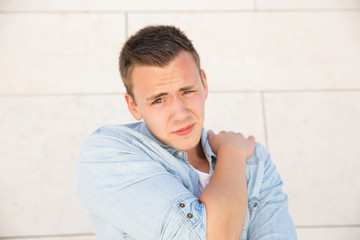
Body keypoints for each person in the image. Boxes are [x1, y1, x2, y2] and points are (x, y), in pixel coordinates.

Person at [78, 25, 297, 239]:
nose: (180, 114)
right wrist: (231, 154)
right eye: (159, 100)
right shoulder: (106, 153)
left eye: (187, 91)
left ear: (204, 84)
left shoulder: (254, 161)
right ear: (133, 106)